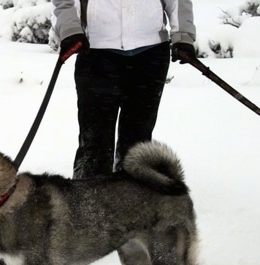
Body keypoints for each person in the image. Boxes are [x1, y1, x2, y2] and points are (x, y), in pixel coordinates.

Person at [52, 0, 196, 178]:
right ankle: (88, 195)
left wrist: (182, 35)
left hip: (150, 53)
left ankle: (134, 193)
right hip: (96, 53)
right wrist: (70, 29)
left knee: (138, 136)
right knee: (95, 138)